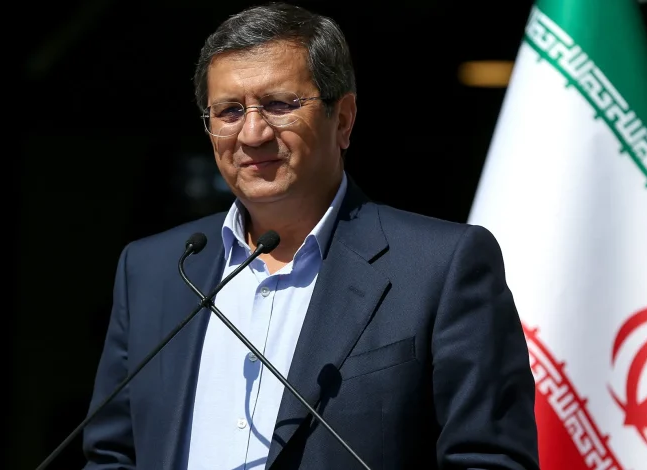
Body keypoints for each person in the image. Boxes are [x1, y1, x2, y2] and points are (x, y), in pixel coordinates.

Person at [82, 2, 539, 469]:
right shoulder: (154, 269)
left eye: (280, 105)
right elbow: (112, 456)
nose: (252, 134)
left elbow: (488, 460)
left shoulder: (440, 267)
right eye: (229, 111)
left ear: (343, 119)